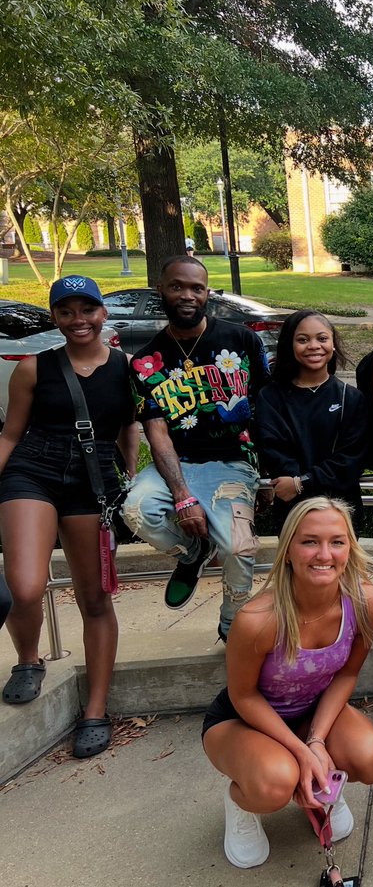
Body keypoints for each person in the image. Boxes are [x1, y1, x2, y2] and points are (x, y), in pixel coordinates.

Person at [201, 497, 373, 869]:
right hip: (243, 718)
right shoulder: (257, 619)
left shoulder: (369, 603)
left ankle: (322, 781)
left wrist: (317, 740)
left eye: (337, 541)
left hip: (311, 711)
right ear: (288, 550)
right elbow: (243, 694)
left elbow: (347, 674)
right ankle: (242, 801)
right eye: (310, 542)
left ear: (350, 549)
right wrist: (302, 752)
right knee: (276, 784)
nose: (324, 554)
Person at [0, 275, 138, 757]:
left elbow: (129, 430)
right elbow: (9, 434)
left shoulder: (126, 369)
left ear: (102, 313)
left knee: (95, 599)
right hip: (32, 470)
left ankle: (96, 710)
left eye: (87, 310)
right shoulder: (34, 368)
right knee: (25, 585)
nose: (78, 320)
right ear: (55, 317)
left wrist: (132, 482)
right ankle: (28, 659)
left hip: (93, 480)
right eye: (66, 311)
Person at [123, 255, 270, 641]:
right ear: (162, 291)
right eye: (177, 287)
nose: (187, 295)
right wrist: (182, 495)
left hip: (233, 462)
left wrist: (270, 471)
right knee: (137, 511)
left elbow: (267, 408)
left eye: (197, 288)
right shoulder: (146, 362)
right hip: (179, 461)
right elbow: (156, 431)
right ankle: (192, 552)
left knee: (239, 549)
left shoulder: (242, 341)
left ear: (207, 293)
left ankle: (232, 626)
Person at [257, 310, 368, 529]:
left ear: (333, 343)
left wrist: (301, 483)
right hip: (293, 513)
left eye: (322, 338)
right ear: (290, 345)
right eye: (303, 339)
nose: (314, 345)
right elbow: (274, 453)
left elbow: (350, 461)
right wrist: (295, 485)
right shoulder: (270, 398)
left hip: (342, 512)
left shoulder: (351, 398)